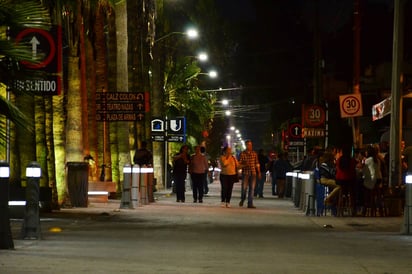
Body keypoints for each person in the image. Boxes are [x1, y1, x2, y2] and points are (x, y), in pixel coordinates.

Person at [239, 140, 261, 208]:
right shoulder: (242, 153)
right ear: (246, 145)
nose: (250, 146)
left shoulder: (254, 153)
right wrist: (244, 165)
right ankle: (243, 199)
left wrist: (259, 172)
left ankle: (250, 203)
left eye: (251, 145)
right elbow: (239, 164)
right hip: (245, 173)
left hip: (253, 173)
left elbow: (257, 163)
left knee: (252, 188)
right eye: (248, 145)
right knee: (244, 188)